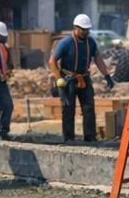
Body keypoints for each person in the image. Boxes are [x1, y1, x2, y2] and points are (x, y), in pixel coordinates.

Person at [47, 14, 115, 144]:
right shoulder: (66, 42)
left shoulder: (91, 42)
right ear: (75, 28)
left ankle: (90, 138)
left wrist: (107, 76)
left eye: (87, 30)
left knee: (89, 108)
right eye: (83, 29)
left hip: (84, 78)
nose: (85, 32)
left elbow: (98, 59)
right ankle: (69, 138)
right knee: (68, 108)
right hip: (67, 80)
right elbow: (52, 61)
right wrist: (58, 79)